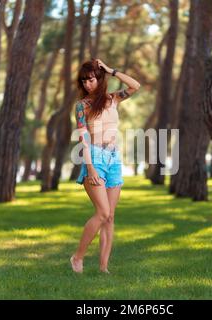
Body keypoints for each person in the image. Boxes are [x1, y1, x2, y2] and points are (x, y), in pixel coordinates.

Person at [70, 58, 140, 274]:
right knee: (102, 212)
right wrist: (89, 168)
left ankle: (103, 268)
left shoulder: (113, 99)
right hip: (95, 158)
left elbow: (135, 86)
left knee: (110, 217)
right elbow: (83, 138)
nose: (87, 84)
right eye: (83, 81)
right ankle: (77, 257)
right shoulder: (82, 106)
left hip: (113, 159)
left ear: (99, 79)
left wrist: (111, 70)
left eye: (91, 80)